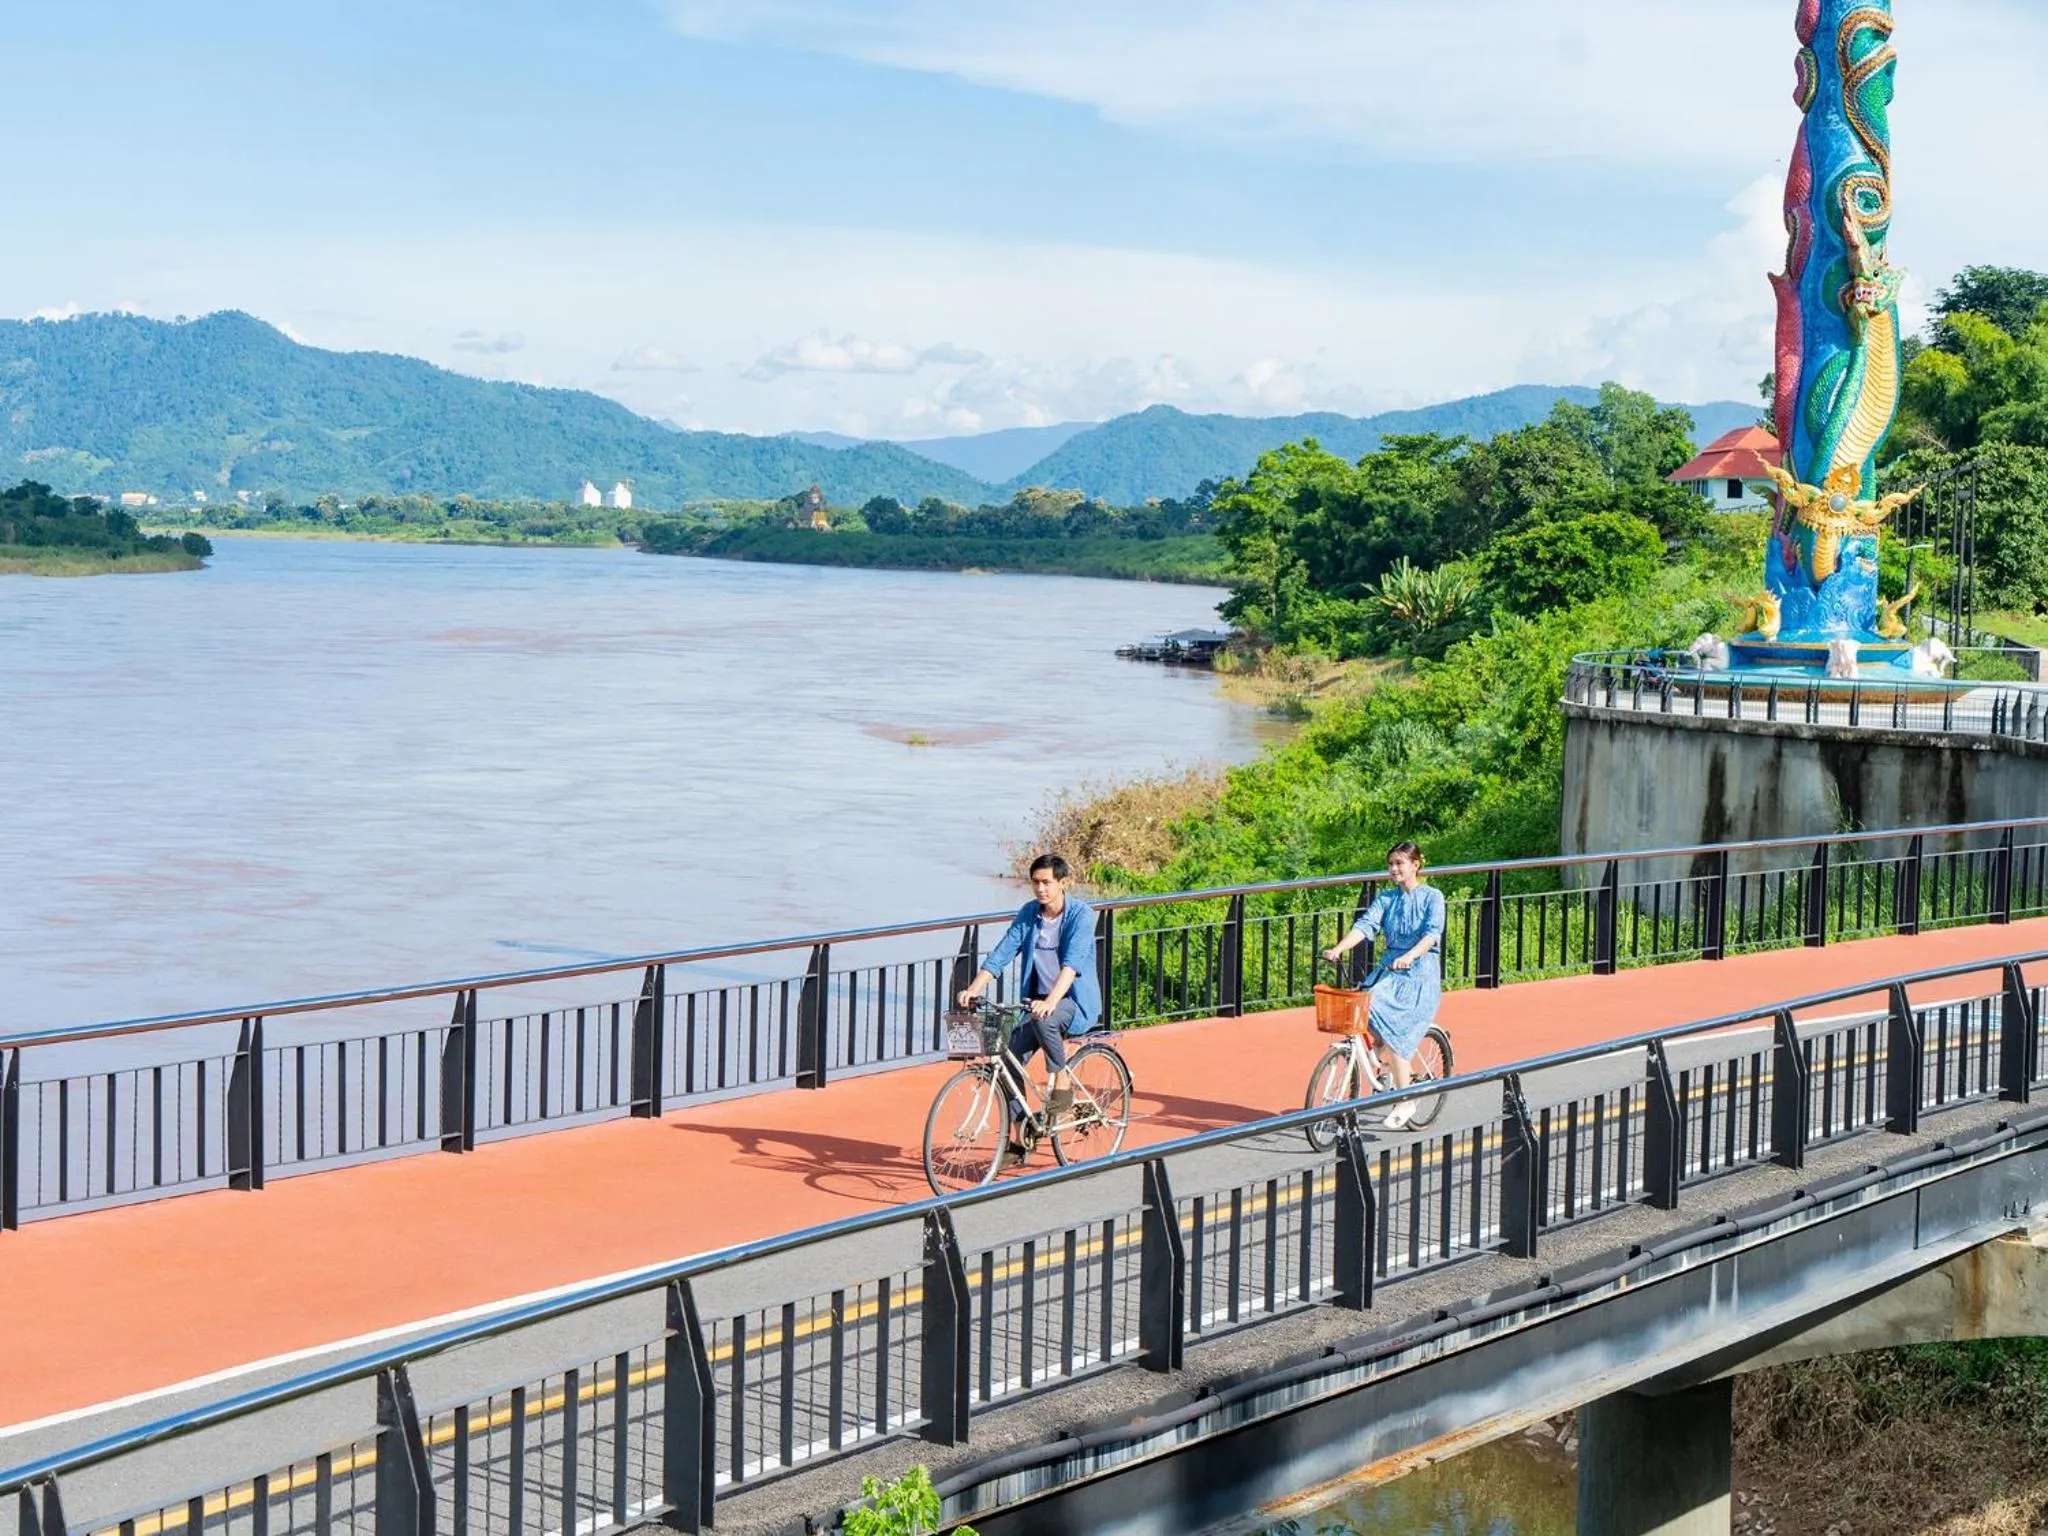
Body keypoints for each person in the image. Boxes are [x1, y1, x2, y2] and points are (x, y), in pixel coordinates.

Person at [956, 853, 1102, 1153]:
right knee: (1006, 1057)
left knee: (1046, 1019)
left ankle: (1061, 1082)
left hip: (1072, 1002)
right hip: (1036, 1003)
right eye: (1035, 883)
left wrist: (1050, 1001)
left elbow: (1071, 965)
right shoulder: (1029, 914)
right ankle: (1021, 1136)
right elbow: (1003, 952)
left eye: (1047, 883)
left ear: (1064, 883)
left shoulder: (1080, 916)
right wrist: (973, 988)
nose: (1040, 890)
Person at [1322, 841, 1445, 1130]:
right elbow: (1365, 926)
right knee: (1362, 1004)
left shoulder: (1433, 897)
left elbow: (1431, 934)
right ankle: (1387, 1063)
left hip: (1419, 973)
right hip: (1389, 970)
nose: (1393, 869)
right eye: (1390, 864)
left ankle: (1406, 1099)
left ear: (1416, 865)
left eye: (1400, 863)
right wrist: (1339, 949)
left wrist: (1410, 955)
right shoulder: (1386, 899)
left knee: (1391, 1024)